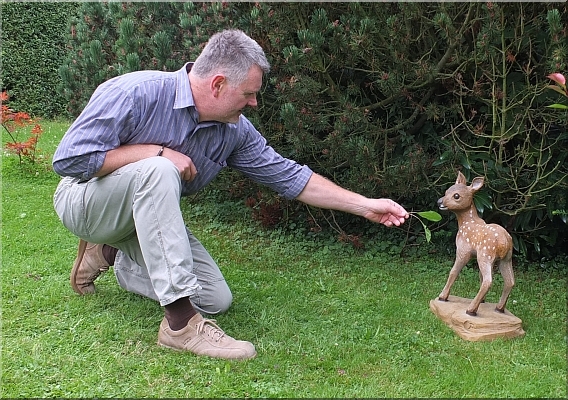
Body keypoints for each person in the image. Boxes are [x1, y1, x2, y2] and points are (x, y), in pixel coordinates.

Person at [53, 29, 409, 360]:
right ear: (219, 84)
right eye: (249, 93)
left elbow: (288, 176)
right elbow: (70, 159)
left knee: (213, 297)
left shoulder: (233, 131)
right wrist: (155, 152)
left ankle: (111, 254)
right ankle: (180, 325)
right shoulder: (136, 92)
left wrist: (365, 206)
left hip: (136, 222)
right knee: (158, 169)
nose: (254, 103)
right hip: (84, 202)